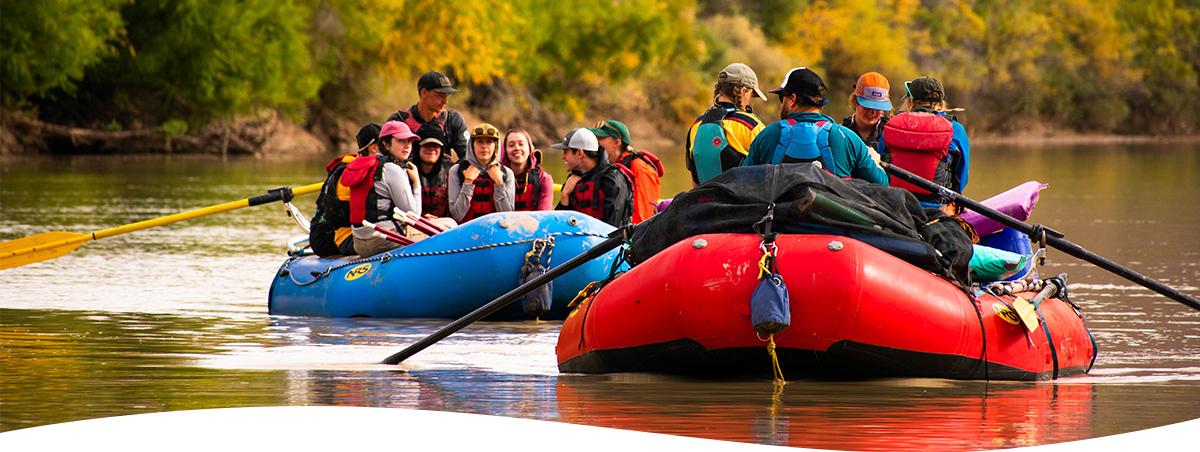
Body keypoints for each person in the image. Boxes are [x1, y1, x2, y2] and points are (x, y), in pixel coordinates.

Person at [742, 67, 888, 185]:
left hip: (777, 219)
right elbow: (882, 185)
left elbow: (742, 182)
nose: (781, 103)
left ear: (792, 99)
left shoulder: (768, 134)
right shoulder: (848, 138)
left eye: (782, 97)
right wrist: (875, 162)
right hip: (830, 220)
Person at [879, 76, 971, 210]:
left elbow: (881, 166)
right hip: (938, 209)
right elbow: (961, 178)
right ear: (941, 104)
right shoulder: (956, 130)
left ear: (910, 102)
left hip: (895, 207)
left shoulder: (891, 126)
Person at [342, 121, 423, 257]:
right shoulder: (393, 169)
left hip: (359, 244)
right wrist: (416, 183)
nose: (407, 146)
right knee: (448, 224)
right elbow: (413, 217)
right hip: (383, 242)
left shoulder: (368, 165)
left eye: (409, 141)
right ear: (385, 144)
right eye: (401, 141)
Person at [686, 63, 768, 185]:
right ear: (743, 91)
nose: (750, 101)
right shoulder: (751, 125)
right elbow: (767, 175)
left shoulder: (696, 125)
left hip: (704, 202)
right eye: (751, 95)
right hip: (741, 202)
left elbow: (694, 181)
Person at [308, 123, 380, 257]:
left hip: (336, 233)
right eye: (387, 145)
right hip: (327, 239)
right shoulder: (352, 171)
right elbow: (349, 215)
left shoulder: (368, 168)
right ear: (374, 148)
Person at [554, 128, 633, 227]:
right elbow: (557, 225)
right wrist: (564, 195)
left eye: (566, 151)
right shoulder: (573, 179)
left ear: (580, 153)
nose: (562, 157)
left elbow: (613, 229)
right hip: (580, 239)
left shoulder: (613, 179)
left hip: (607, 241)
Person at [589, 119, 663, 224]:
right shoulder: (608, 166)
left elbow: (643, 215)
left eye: (600, 138)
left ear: (617, 142)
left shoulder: (640, 167)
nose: (595, 142)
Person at [387, 71, 469, 162]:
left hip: (443, 175)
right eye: (440, 96)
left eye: (447, 96)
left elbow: (468, 155)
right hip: (405, 174)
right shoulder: (399, 121)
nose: (445, 101)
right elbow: (384, 156)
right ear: (424, 93)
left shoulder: (452, 120)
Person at [447, 123, 515, 223]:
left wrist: (499, 183)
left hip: (495, 228)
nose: (484, 146)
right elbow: (457, 216)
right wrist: (468, 183)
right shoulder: (456, 171)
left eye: (489, 142)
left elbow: (507, 216)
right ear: (472, 145)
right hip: (466, 229)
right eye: (479, 142)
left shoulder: (507, 173)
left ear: (495, 146)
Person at [501, 128, 554, 211]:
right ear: (505, 151)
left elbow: (544, 215)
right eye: (511, 145)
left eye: (521, 144)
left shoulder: (543, 178)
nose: (517, 148)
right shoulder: (497, 176)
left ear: (530, 149)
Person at [842, 71, 893, 151]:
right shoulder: (841, 132)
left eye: (878, 108)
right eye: (867, 106)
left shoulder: (891, 134)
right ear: (855, 101)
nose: (872, 112)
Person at [415, 131, 453, 218]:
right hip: (415, 223)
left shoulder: (452, 170)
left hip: (446, 225)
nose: (431, 149)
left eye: (435, 146)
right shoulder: (406, 170)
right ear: (418, 148)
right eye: (426, 145)